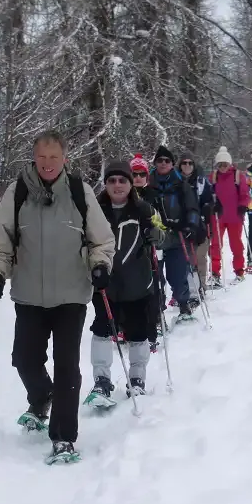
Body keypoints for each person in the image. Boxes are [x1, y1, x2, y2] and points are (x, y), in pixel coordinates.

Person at [0, 130, 116, 464]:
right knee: (24, 360)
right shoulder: (17, 192)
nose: (47, 163)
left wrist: (100, 265)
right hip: (29, 295)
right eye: (42, 157)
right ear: (34, 158)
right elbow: (2, 240)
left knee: (67, 367)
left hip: (71, 295)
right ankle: (42, 396)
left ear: (64, 159)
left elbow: (101, 240)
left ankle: (63, 437)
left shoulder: (79, 192)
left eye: (54, 157)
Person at [84, 160, 165, 406]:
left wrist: (156, 234)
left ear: (130, 184)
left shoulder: (144, 209)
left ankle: (137, 378)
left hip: (137, 281)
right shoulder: (94, 210)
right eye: (112, 180)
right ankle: (101, 380)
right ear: (106, 184)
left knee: (138, 331)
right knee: (102, 328)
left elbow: (162, 233)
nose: (117, 185)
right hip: (105, 281)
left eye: (122, 180)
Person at [149, 145, 200, 320]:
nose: (163, 163)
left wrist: (191, 226)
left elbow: (192, 208)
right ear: (155, 163)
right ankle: (157, 312)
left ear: (172, 164)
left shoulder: (181, 184)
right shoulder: (149, 184)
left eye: (167, 160)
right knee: (156, 278)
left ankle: (184, 305)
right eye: (159, 160)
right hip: (155, 238)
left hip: (177, 236)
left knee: (177, 274)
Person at [131, 153, 164, 352]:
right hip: (127, 250)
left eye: (141, 174)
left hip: (148, 249)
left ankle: (152, 329)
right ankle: (126, 327)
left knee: (152, 290)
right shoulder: (122, 195)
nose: (137, 178)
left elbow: (162, 224)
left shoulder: (153, 195)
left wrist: (155, 232)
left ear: (147, 176)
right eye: (134, 174)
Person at [208, 146, 250, 285]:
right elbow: (208, 194)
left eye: (225, 164)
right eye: (220, 164)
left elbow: (245, 193)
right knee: (215, 245)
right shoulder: (213, 176)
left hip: (234, 216)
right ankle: (215, 273)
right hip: (218, 216)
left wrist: (243, 205)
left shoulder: (238, 175)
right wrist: (211, 205)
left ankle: (239, 271)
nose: (222, 167)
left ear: (229, 163)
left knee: (236, 245)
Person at [178, 151, 214, 294]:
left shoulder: (201, 181)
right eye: (184, 163)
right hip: (182, 224)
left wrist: (209, 207)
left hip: (200, 224)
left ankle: (201, 286)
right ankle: (185, 289)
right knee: (184, 259)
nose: (187, 165)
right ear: (180, 165)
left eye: (190, 163)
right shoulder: (175, 180)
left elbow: (210, 199)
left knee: (200, 257)